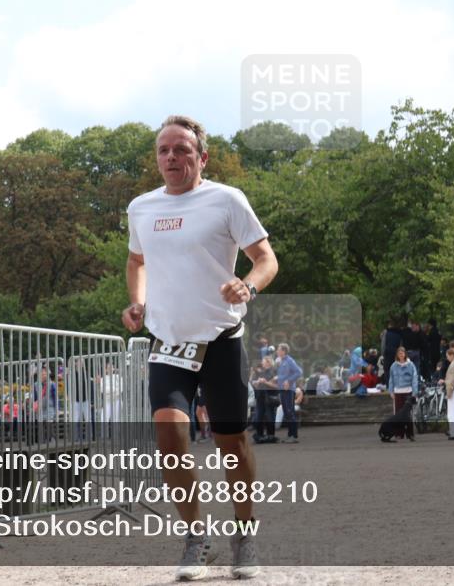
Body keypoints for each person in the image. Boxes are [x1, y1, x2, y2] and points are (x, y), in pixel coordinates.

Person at [121, 115, 277, 580]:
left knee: (233, 444)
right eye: (164, 150)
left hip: (221, 341)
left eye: (182, 150)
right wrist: (137, 301)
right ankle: (196, 540)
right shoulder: (141, 208)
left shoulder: (227, 200)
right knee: (169, 438)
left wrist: (247, 286)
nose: (172, 157)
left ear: (201, 157)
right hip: (169, 344)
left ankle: (245, 533)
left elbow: (266, 259)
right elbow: (136, 261)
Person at [387, 347, 418, 441]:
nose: (401, 355)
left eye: (402, 353)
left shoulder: (411, 365)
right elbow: (391, 379)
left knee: (408, 415)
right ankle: (399, 433)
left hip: (408, 391)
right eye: (399, 353)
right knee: (398, 414)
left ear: (405, 354)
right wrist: (391, 391)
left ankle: (410, 434)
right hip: (397, 391)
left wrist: (414, 391)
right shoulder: (393, 366)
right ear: (397, 355)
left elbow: (414, 378)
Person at [275, 344, 303, 443]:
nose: (277, 351)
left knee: (290, 412)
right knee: (287, 412)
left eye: (278, 350)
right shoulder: (281, 361)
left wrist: (289, 381)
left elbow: (299, 372)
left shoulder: (289, 361)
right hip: (282, 390)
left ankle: (294, 436)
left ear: (283, 351)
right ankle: (290, 435)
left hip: (289, 390)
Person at [251, 356, 278, 444]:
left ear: (268, 362)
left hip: (270, 397)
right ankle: (260, 435)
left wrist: (265, 382)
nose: (262, 363)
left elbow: (277, 386)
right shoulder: (261, 372)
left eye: (263, 361)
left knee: (270, 417)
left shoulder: (274, 372)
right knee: (258, 416)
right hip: (260, 397)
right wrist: (256, 383)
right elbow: (255, 384)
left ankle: (271, 435)